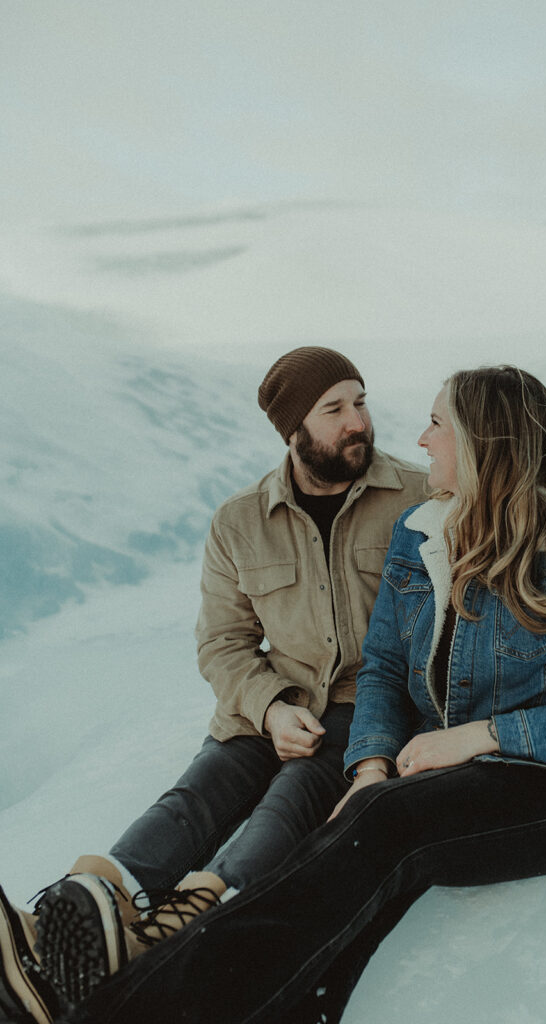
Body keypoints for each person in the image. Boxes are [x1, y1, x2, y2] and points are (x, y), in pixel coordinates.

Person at [5, 365, 546, 1024]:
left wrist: (474, 737)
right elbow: (380, 667)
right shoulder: (420, 532)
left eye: (436, 423)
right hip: (445, 773)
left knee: (376, 831)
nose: (421, 439)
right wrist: (369, 766)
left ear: (483, 440)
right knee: (342, 849)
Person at [0, 347, 427, 1024]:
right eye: (335, 409)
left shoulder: (416, 497)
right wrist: (271, 708)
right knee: (198, 794)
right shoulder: (239, 521)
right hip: (268, 706)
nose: (358, 422)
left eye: (360, 400)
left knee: (288, 799)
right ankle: (82, 910)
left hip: (362, 706)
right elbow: (223, 643)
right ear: (293, 430)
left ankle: (191, 915)